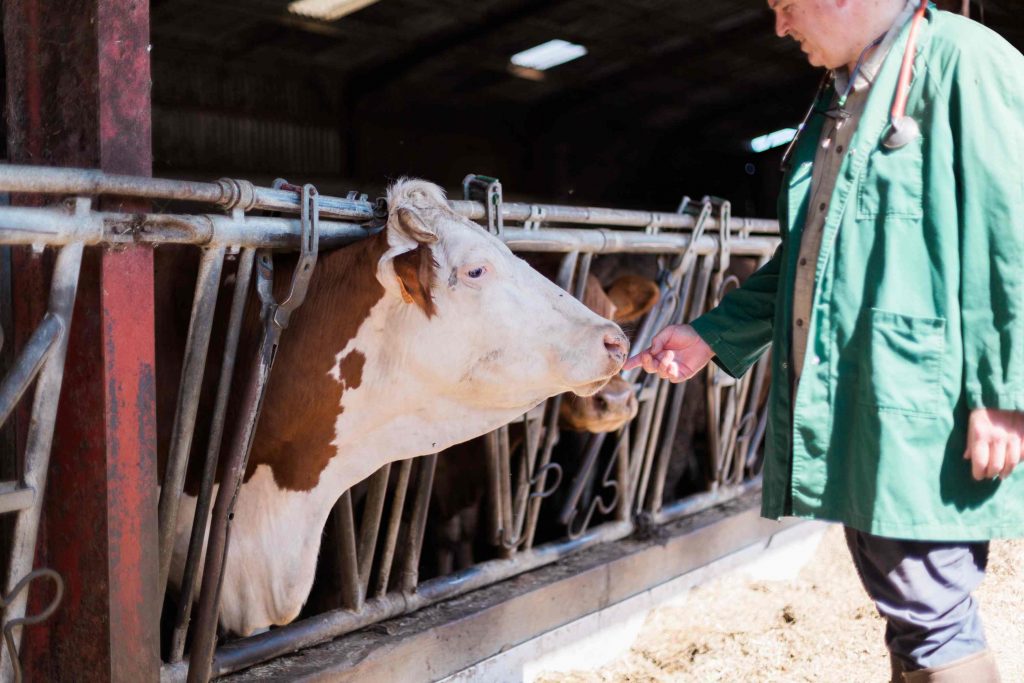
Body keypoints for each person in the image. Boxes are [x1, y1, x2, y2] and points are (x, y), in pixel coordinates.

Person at [624, 1, 1024, 680]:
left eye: (785, 5)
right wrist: (710, 334)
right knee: (911, 607)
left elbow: (1011, 235)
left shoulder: (966, 64)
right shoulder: (844, 92)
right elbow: (812, 252)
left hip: (926, 401)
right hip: (866, 400)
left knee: (931, 613)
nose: (778, 26)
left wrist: (1006, 391)